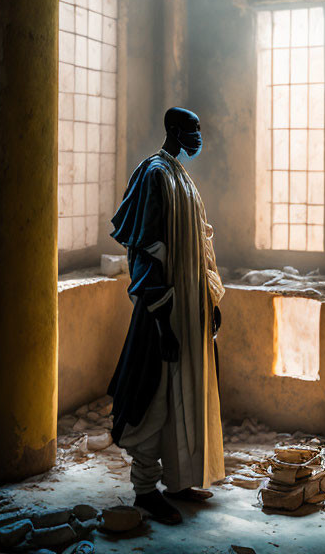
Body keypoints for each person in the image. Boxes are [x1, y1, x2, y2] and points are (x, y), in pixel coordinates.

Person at [107, 107, 225, 525]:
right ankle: (144, 490)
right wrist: (162, 321)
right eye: (193, 129)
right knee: (154, 397)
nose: (198, 136)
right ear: (174, 130)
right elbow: (145, 254)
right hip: (165, 314)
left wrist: (210, 303)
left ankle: (177, 480)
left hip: (190, 312)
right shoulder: (155, 174)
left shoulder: (182, 177)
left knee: (184, 394)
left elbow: (201, 248)